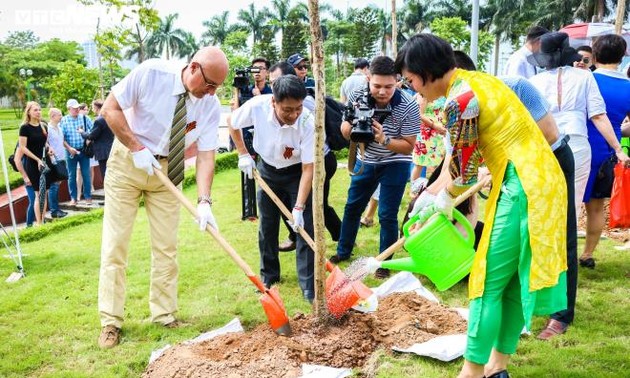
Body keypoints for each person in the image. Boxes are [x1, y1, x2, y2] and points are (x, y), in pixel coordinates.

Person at [397, 34, 568, 378]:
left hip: (524, 187)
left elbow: (463, 167)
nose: (414, 89)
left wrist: (440, 200)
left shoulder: (460, 99)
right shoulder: (481, 81)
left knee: (487, 279)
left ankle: (472, 371)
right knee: (510, 282)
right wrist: (436, 198)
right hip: (544, 181)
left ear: (425, 71)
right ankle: (496, 367)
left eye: (411, 80)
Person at [97, 46, 228, 349]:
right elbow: (110, 109)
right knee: (115, 246)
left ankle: (165, 314)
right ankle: (111, 322)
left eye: (217, 87)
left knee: (167, 247)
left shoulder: (209, 104)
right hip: (129, 162)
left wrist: (205, 201)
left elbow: (207, 155)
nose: (211, 92)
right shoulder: (151, 72)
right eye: (209, 84)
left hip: (171, 167)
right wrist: (136, 148)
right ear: (194, 68)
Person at [331, 56, 421, 280]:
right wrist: (354, 128)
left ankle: (384, 261)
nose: (382, 91)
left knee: (387, 214)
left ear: (398, 81)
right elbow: (344, 128)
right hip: (366, 159)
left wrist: (384, 139)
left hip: (395, 162)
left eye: (389, 86)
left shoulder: (408, 105)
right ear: (368, 79)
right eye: (377, 86)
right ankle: (343, 251)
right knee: (353, 206)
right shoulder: (356, 97)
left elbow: (409, 147)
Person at [228, 74, 316, 301]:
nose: (293, 115)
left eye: (297, 108)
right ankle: (269, 275)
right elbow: (232, 122)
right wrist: (243, 154)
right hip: (266, 169)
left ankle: (308, 284)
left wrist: (298, 207)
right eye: (287, 109)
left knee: (305, 227)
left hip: (296, 173)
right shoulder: (257, 106)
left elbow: (309, 168)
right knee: (267, 225)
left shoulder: (307, 121)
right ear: (273, 102)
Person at [579, 34, 630, 268]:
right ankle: (587, 254)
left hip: (579, 148)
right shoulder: (627, 88)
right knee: (596, 207)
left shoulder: (585, 80)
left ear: (595, 55)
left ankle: (562, 253)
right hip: (607, 154)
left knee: (568, 204)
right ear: (622, 57)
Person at [18, 101, 51, 226]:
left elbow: (44, 143)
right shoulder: (24, 127)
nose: (38, 112)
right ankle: (39, 223)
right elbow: (22, 147)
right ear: (29, 112)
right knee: (38, 193)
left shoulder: (43, 126)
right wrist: (37, 159)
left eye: (39, 110)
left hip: (44, 162)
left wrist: (49, 149)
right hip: (33, 163)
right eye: (35, 110)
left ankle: (43, 219)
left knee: (45, 192)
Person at [60, 98, 93, 205]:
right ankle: (73, 198)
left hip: (83, 151)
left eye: (78, 108)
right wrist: (69, 148)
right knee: (71, 175)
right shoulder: (64, 120)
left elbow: (93, 131)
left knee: (86, 174)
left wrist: (89, 139)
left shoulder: (84, 118)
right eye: (74, 108)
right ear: (69, 108)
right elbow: (61, 138)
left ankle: (88, 196)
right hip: (70, 152)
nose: (77, 109)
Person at [79, 100, 114, 178]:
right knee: (112, 173)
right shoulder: (109, 117)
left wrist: (82, 132)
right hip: (111, 148)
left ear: (96, 108)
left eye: (92, 107)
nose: (92, 109)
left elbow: (91, 136)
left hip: (102, 151)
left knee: (105, 174)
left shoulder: (99, 120)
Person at [47, 108, 68, 218]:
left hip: (61, 158)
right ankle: (54, 211)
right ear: (52, 116)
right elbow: (46, 144)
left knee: (58, 184)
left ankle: (57, 209)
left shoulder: (59, 127)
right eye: (59, 115)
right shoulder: (48, 129)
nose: (61, 116)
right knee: (54, 186)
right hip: (53, 161)